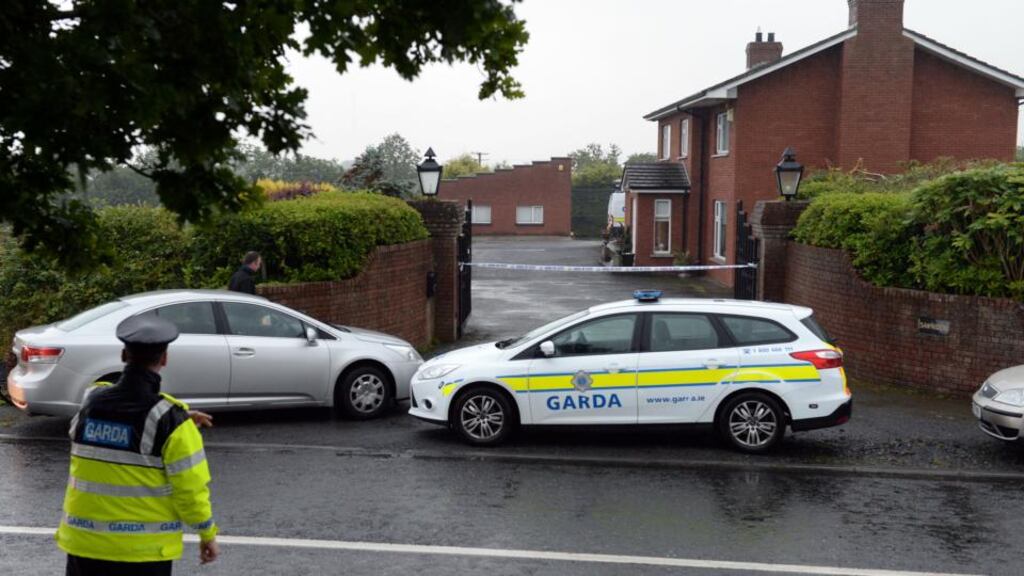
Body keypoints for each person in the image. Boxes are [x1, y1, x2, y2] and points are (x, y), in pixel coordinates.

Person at [56, 315, 219, 575]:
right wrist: (206, 533)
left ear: (123, 355)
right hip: (142, 553)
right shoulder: (171, 423)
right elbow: (190, 491)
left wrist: (179, 413)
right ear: (164, 359)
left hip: (84, 546)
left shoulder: (91, 402)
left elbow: (118, 397)